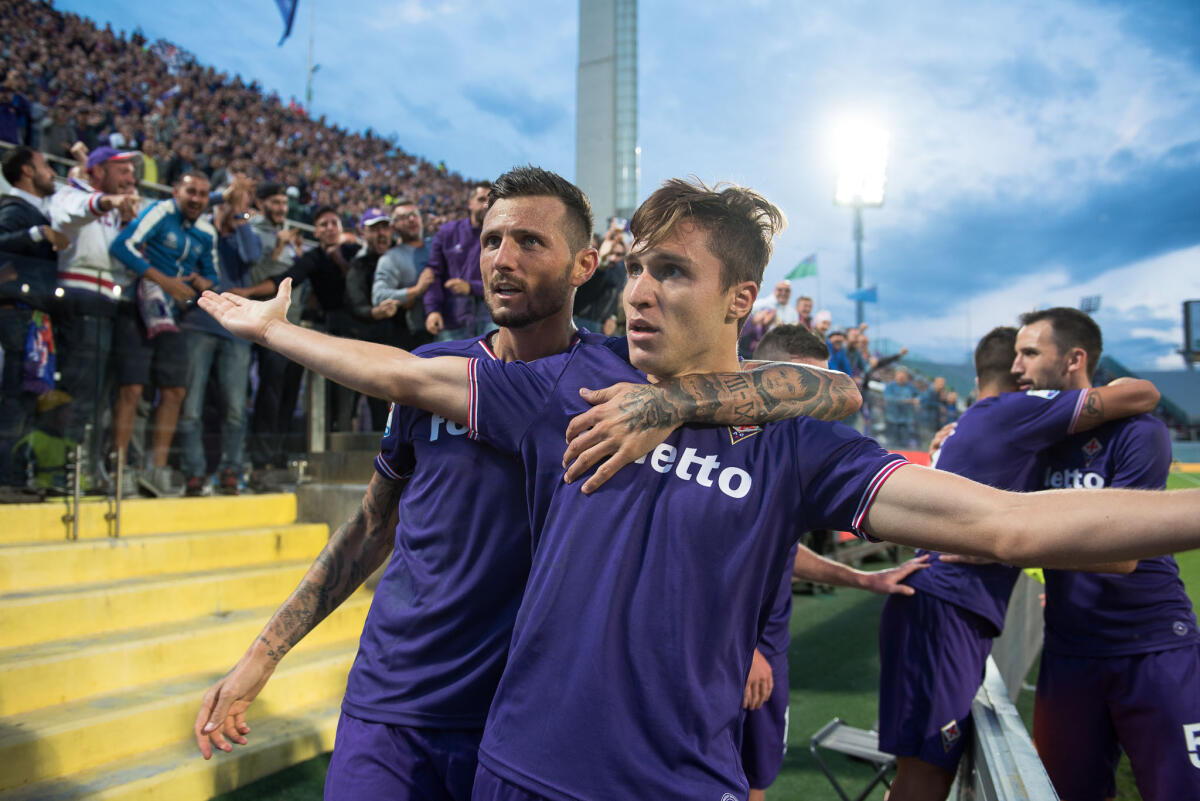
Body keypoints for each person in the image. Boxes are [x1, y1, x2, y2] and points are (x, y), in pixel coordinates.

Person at [200, 177, 1200, 801]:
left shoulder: (792, 449)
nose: (640, 290)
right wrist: (274, 332)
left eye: (671, 272)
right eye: (635, 268)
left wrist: (678, 409)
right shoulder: (563, 390)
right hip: (513, 773)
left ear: (739, 300)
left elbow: (1002, 522)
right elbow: (405, 378)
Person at [193, 168, 850, 799]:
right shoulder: (430, 370)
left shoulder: (623, 375)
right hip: (395, 703)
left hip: (516, 722)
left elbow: (823, 399)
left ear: (585, 267)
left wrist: (675, 404)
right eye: (490, 241)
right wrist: (262, 655)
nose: (503, 259)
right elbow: (371, 526)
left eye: (530, 241)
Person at [879, 325, 1161, 801]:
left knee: (924, 772)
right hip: (944, 606)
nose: (1024, 367)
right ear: (1012, 367)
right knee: (927, 775)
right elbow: (1145, 394)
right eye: (1023, 356)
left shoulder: (980, 420)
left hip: (945, 606)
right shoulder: (1014, 410)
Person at [1012, 308, 1200, 801]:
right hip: (1070, 651)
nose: (1017, 367)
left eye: (1029, 353)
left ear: (1074, 360)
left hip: (1153, 646)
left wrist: (1007, 543)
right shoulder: (1033, 440)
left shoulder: (1140, 430)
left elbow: (1122, 551)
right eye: (1014, 354)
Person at [743, 323, 929, 801]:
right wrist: (742, 652)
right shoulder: (728, 452)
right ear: (761, 375)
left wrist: (865, 580)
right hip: (734, 661)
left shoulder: (791, 456)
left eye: (823, 388)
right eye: (803, 386)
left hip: (766, 656)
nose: (815, 404)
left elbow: (784, 555)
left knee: (755, 779)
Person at [110, 170, 218, 495]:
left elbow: (212, 275)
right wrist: (164, 281)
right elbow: (122, 245)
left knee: (175, 392)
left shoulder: (206, 232)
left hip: (174, 319)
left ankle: (156, 469)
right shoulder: (160, 211)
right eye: (191, 192)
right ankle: (120, 468)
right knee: (131, 389)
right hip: (136, 308)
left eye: (202, 193)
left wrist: (200, 283)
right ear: (176, 192)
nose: (197, 199)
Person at [48, 145, 142, 491]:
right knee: (78, 391)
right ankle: (59, 471)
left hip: (107, 302)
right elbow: (73, 213)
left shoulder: (118, 208)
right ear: (99, 171)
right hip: (79, 296)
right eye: (123, 171)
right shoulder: (73, 193)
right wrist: (109, 203)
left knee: (98, 396)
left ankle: (80, 467)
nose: (131, 178)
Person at [177, 183, 259, 496]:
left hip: (235, 329)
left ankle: (231, 471)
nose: (235, 205)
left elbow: (252, 255)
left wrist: (240, 218)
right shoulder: (199, 230)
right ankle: (194, 473)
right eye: (230, 200)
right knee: (191, 406)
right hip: (198, 324)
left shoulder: (242, 233)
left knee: (236, 407)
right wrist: (222, 199)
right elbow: (188, 207)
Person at [0, 145, 65, 482]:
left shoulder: (34, 211)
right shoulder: (15, 210)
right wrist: (36, 235)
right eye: (45, 164)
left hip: (30, 318)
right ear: (27, 170)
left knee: (26, 398)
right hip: (16, 316)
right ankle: (6, 480)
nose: (52, 172)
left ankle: (14, 476)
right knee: (15, 398)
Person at [423, 181, 490, 340]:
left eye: (492, 200)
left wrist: (471, 287)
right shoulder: (447, 233)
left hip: (489, 321)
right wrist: (432, 310)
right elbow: (434, 274)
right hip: (451, 320)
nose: (487, 204)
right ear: (470, 203)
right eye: (482, 199)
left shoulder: (503, 237)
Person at [372, 199, 435, 351]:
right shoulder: (391, 258)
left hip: (456, 329)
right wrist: (416, 290)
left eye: (414, 214)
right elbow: (379, 296)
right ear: (393, 226)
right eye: (404, 217)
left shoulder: (437, 245)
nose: (412, 219)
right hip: (420, 336)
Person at [884, 367, 920, 449]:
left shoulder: (910, 387)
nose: (901, 378)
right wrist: (906, 401)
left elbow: (919, 395)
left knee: (904, 444)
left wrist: (917, 400)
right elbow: (888, 398)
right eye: (899, 376)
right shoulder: (890, 386)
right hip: (892, 419)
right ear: (896, 376)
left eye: (903, 377)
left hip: (906, 420)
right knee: (891, 443)